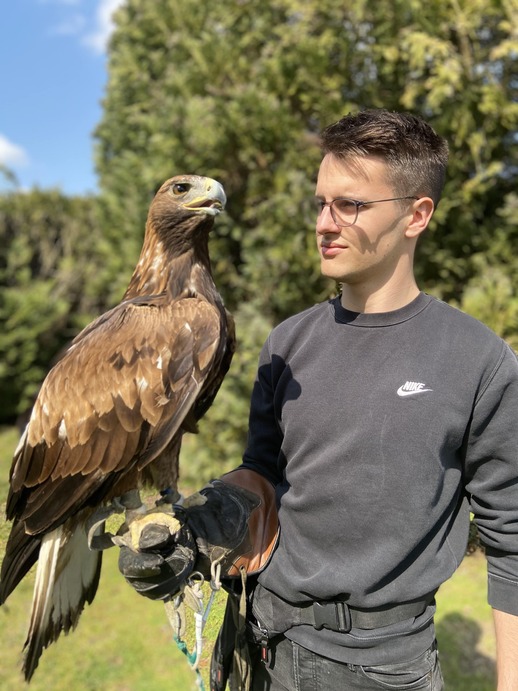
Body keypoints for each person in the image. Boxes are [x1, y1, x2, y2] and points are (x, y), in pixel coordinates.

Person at [118, 109, 518, 690]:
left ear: (417, 215)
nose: (325, 224)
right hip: (263, 642)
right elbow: (264, 474)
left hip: (384, 667)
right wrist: (198, 526)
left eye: (350, 205)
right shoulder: (288, 342)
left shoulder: (476, 358)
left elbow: (512, 538)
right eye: (320, 203)